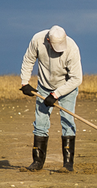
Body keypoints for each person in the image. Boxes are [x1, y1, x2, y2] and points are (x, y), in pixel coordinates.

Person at [19, 25, 83, 172]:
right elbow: (28, 60)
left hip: (67, 87)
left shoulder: (72, 48)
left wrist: (55, 94)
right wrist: (25, 83)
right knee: (40, 123)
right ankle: (37, 162)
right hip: (44, 86)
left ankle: (68, 164)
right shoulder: (37, 40)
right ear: (48, 40)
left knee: (68, 121)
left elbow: (76, 79)